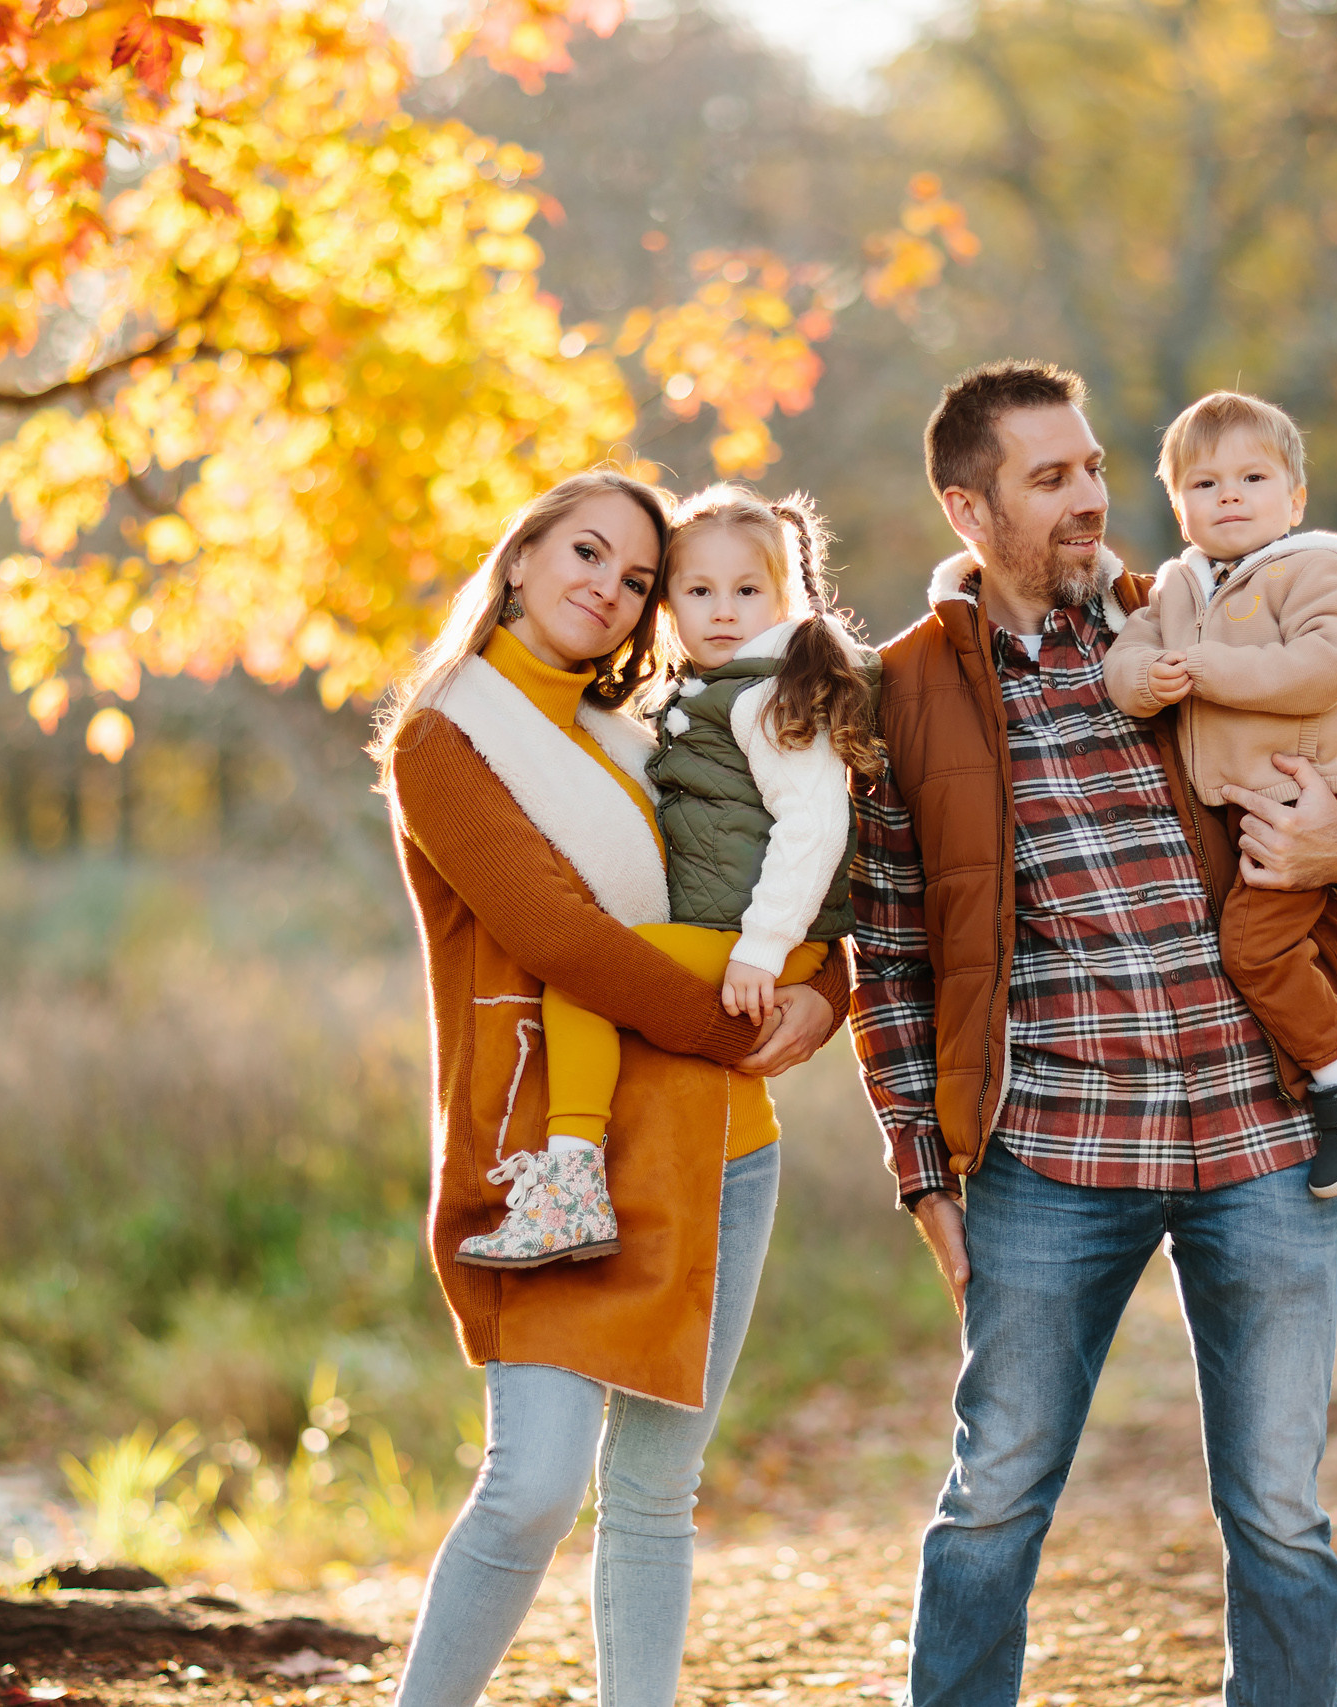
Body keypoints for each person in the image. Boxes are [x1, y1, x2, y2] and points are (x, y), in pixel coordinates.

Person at [852, 362, 1337, 1707]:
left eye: (1096, 468)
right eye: (1052, 480)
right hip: (1052, 1149)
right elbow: (891, 949)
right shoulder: (907, 690)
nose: (1092, 500)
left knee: (1279, 1507)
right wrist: (925, 1172)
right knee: (992, 1494)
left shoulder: (1193, 616)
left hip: (1260, 1129)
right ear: (966, 504)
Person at [371, 471, 850, 1707]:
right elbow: (561, 939)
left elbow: (757, 874)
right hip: (550, 1155)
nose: (610, 587)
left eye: (638, 578)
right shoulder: (446, 741)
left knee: (653, 1498)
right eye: (588, 553)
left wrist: (824, 995)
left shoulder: (648, 729)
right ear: (521, 554)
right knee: (530, 1487)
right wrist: (733, 1027)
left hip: (722, 1142)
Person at [455, 484, 882, 1266]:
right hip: (733, 957)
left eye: (747, 591)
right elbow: (570, 928)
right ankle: (573, 1177)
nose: (723, 611)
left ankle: (571, 1179)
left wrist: (782, 960)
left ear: (783, 597)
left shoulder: (761, 698)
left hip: (752, 955)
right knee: (580, 979)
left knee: (577, 989)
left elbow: (817, 825)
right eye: (697, 591)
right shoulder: (679, 705)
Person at [1104, 391, 1337, 1197]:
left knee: (1252, 945)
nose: (1231, 495)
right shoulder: (1177, 587)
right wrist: (1150, 676)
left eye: (1252, 476)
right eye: (1205, 485)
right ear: (1179, 506)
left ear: (1295, 498)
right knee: (1310, 945)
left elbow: (1321, 666)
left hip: (1313, 792)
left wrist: (1207, 670)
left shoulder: (1316, 570)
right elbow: (1126, 662)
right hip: (1251, 801)